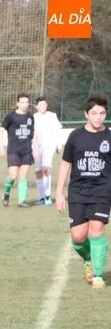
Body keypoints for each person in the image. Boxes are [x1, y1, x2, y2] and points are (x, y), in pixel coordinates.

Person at [54, 94, 111, 290]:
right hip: (78, 191)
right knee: (78, 237)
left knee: (97, 231)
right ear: (86, 114)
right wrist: (59, 192)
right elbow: (65, 164)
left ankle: (97, 275)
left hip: (102, 191)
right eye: (94, 113)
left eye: (102, 113)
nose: (98, 117)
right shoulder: (75, 136)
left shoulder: (109, 136)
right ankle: (89, 256)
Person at [0, 93, 38, 207]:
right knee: (13, 176)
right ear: (17, 103)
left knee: (24, 175)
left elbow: (32, 132)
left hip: (26, 151)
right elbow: (1, 130)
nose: (25, 104)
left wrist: (35, 147)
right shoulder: (11, 116)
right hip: (13, 150)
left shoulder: (30, 117)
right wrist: (1, 146)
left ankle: (21, 201)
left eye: (26, 102)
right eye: (22, 102)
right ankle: (6, 193)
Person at [32, 96, 63, 206]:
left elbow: (58, 130)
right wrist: (34, 146)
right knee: (38, 171)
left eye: (44, 105)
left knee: (46, 168)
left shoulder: (52, 116)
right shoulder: (34, 117)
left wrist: (59, 144)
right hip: (36, 146)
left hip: (49, 145)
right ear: (36, 107)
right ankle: (41, 197)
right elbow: (32, 132)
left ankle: (47, 196)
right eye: (40, 105)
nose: (42, 107)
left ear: (47, 105)